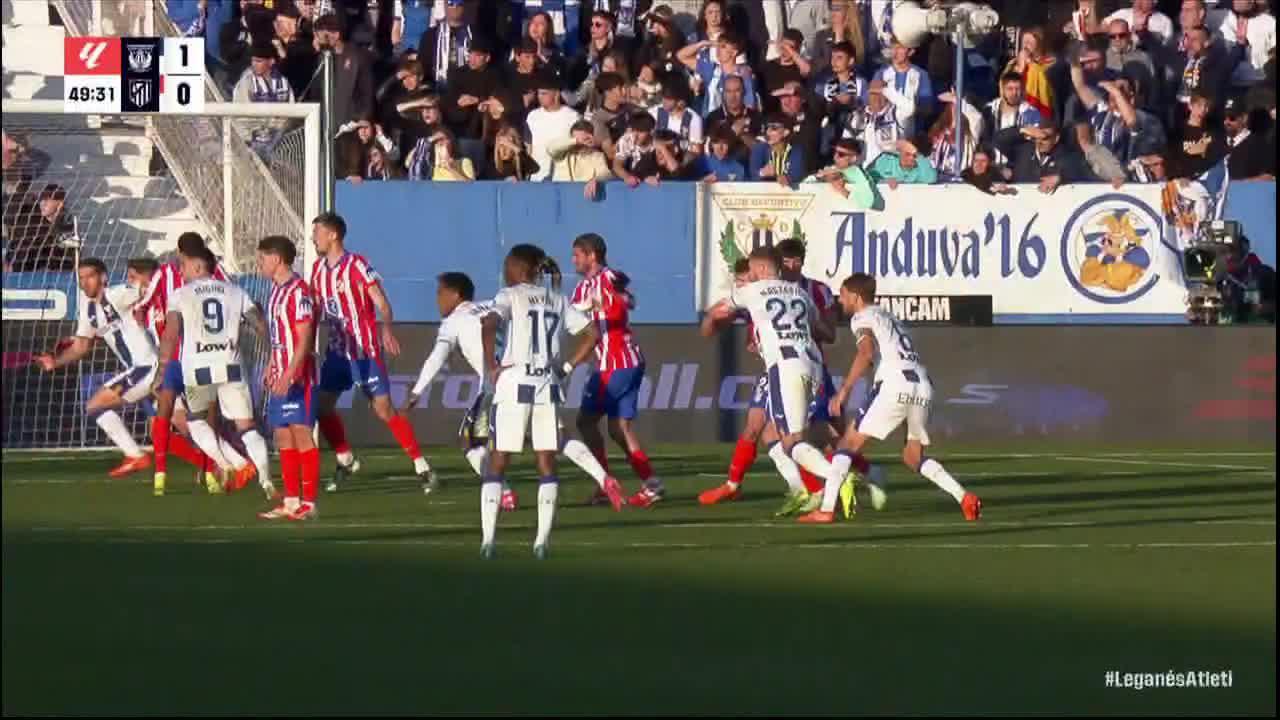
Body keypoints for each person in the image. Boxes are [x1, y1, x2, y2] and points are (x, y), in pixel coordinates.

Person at [403, 271, 622, 512]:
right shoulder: (492, 304)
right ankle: (604, 478)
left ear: (455, 295)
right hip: (534, 378)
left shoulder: (453, 322)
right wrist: (583, 305)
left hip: (500, 385)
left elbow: (438, 357)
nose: (437, 299)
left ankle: (504, 493)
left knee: (470, 442)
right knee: (558, 437)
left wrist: (417, 391)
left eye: (440, 293)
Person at [815, 273, 982, 524]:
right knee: (912, 456)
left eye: (843, 295)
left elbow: (866, 352)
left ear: (856, 297)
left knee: (846, 446)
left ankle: (826, 509)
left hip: (894, 383)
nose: (840, 300)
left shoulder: (862, 317)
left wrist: (844, 390)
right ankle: (964, 497)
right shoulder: (890, 318)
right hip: (922, 384)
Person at [700, 247, 842, 517]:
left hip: (784, 366)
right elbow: (822, 330)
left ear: (763, 269)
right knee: (773, 433)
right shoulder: (800, 292)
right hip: (813, 364)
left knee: (793, 442)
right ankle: (808, 492)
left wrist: (710, 318)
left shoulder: (752, 291)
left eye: (753, 270)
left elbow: (717, 314)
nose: (750, 275)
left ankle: (835, 477)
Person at [478, 244, 600, 559]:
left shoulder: (509, 295)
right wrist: (567, 368)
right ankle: (541, 541)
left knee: (498, 461)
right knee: (547, 463)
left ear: (521, 269)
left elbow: (488, 323)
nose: (505, 271)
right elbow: (592, 334)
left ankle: (488, 540)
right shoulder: (558, 300)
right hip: (546, 382)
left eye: (508, 265)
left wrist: (491, 363)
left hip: (514, 382)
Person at [308, 212, 437, 493]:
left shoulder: (357, 264)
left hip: (364, 350)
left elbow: (381, 301)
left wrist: (387, 329)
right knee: (321, 407)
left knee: (383, 409)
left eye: (317, 232)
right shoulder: (317, 271)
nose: (313, 237)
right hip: (336, 353)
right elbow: (315, 308)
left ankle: (421, 465)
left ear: (333, 235)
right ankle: (346, 458)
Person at [136, 233, 257, 497]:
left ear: (181, 253)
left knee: (178, 413)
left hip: (183, 359)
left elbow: (141, 308)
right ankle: (216, 466)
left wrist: (152, 331)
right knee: (199, 416)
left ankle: (186, 470)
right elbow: (233, 300)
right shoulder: (213, 274)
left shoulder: (167, 273)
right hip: (204, 357)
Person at [154, 248, 273, 507]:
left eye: (184, 265)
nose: (181, 271)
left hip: (198, 369)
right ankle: (266, 480)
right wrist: (274, 355)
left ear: (198, 267)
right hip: (231, 366)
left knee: (195, 421)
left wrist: (162, 369)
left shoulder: (180, 295)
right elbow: (260, 324)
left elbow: (171, 334)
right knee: (246, 426)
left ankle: (232, 464)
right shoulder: (235, 292)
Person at [33, 258, 158, 479]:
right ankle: (229, 461)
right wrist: (56, 362)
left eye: (89, 276)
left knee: (94, 405)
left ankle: (135, 455)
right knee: (186, 423)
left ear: (103, 277)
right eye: (81, 278)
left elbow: (149, 286)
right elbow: (81, 346)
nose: (84, 282)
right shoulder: (88, 310)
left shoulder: (118, 294)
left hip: (148, 366)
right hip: (140, 371)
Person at [568, 233, 664, 508]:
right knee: (618, 428)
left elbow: (628, 300)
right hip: (622, 361)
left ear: (592, 256)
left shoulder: (608, 277)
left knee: (586, 421)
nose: (573, 260)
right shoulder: (580, 288)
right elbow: (573, 313)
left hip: (617, 362)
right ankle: (651, 484)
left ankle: (603, 483)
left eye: (577, 254)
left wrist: (613, 297)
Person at [256, 236, 321, 521]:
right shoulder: (274, 291)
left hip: (299, 377)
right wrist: (271, 366)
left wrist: (291, 372)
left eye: (263, 258)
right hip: (280, 374)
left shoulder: (299, 291)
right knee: (282, 436)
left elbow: (305, 337)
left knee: (301, 435)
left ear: (277, 259)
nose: (260, 264)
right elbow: (278, 338)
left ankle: (310, 503)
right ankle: (291, 501)